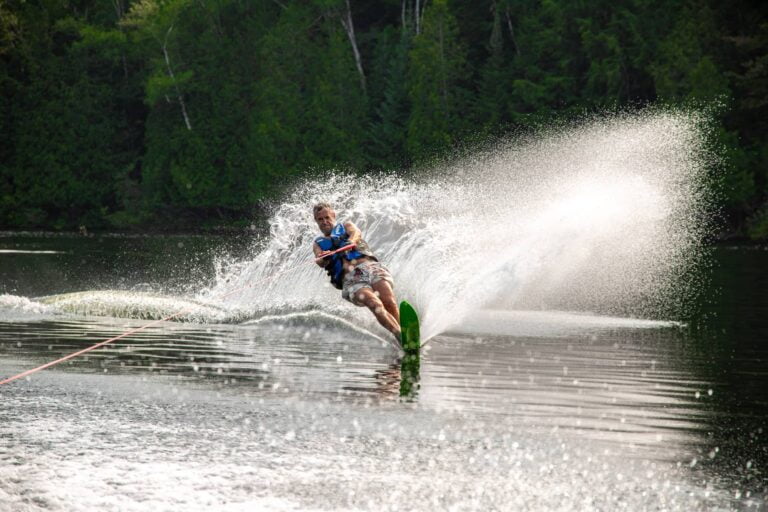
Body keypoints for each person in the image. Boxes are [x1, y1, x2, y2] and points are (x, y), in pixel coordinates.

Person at [311, 202, 401, 342]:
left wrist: (351, 241)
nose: (325, 222)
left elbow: (356, 233)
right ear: (316, 221)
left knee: (388, 301)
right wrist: (324, 257)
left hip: (370, 267)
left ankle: (403, 331)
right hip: (352, 280)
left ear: (333, 215)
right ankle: (399, 335)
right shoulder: (318, 243)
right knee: (374, 304)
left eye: (327, 217)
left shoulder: (346, 226)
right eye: (320, 219)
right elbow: (319, 260)